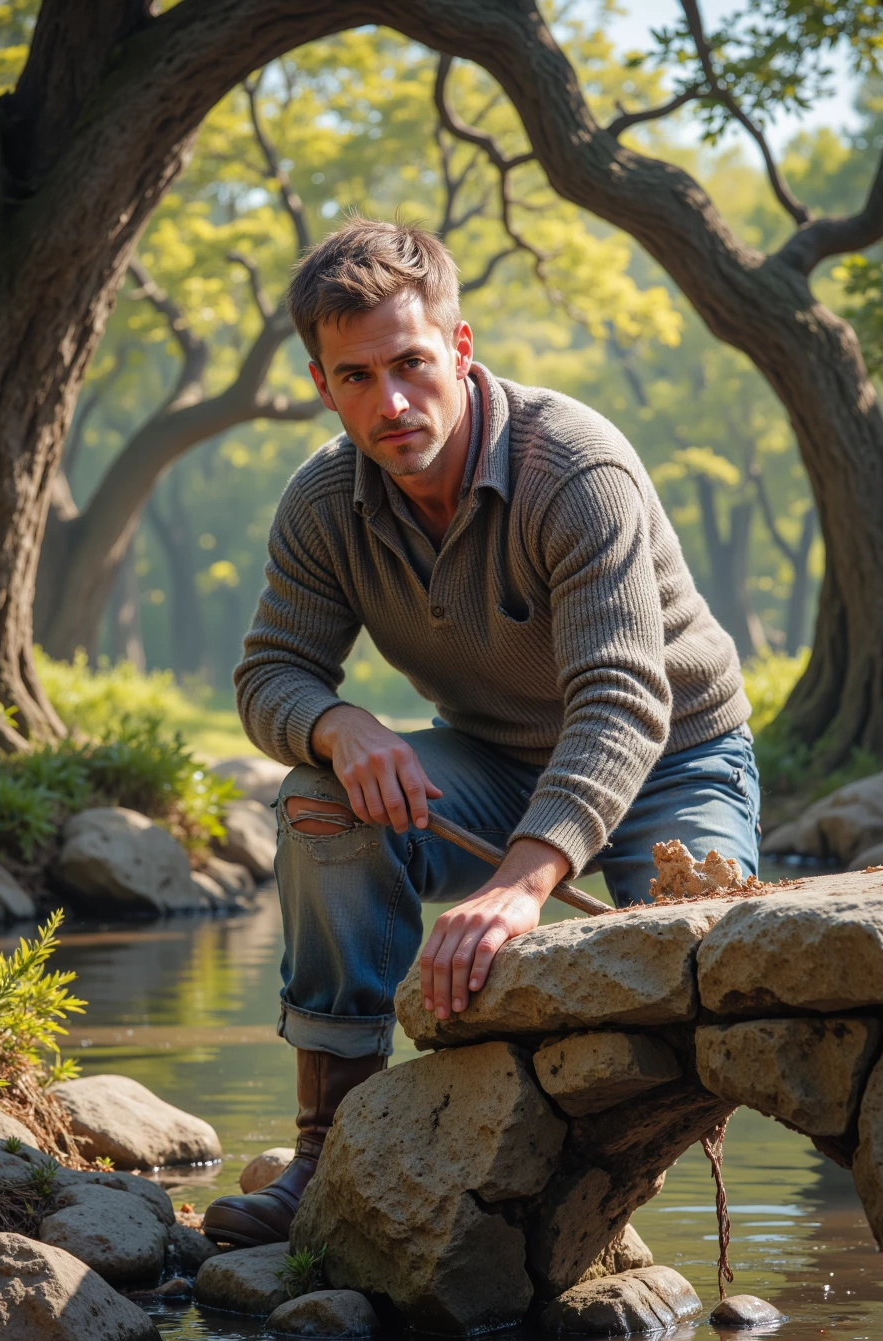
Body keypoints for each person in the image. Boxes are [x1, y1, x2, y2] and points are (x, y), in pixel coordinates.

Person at [203, 217, 759, 1246]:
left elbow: (622, 700)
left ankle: (575, 1191)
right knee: (320, 802)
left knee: (707, 969)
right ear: (322, 385)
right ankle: (329, 1154)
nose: (391, 402)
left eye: (411, 363)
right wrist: (335, 725)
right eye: (356, 376)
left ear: (459, 349)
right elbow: (269, 673)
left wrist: (518, 884)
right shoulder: (324, 502)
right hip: (498, 764)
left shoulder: (575, 468)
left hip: (675, 761)